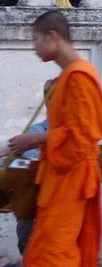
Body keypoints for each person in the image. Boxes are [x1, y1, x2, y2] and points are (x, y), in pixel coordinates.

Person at [6, 11, 102, 267]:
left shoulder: (79, 77)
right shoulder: (65, 79)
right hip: (58, 177)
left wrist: (34, 140)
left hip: (72, 178)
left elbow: (84, 136)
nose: (34, 47)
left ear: (53, 37)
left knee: (55, 253)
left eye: (36, 39)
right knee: (47, 248)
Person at [0, 78, 53, 259]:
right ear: (49, 101)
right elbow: (28, 167)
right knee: (31, 251)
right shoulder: (34, 133)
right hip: (33, 210)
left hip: (60, 211)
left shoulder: (76, 134)